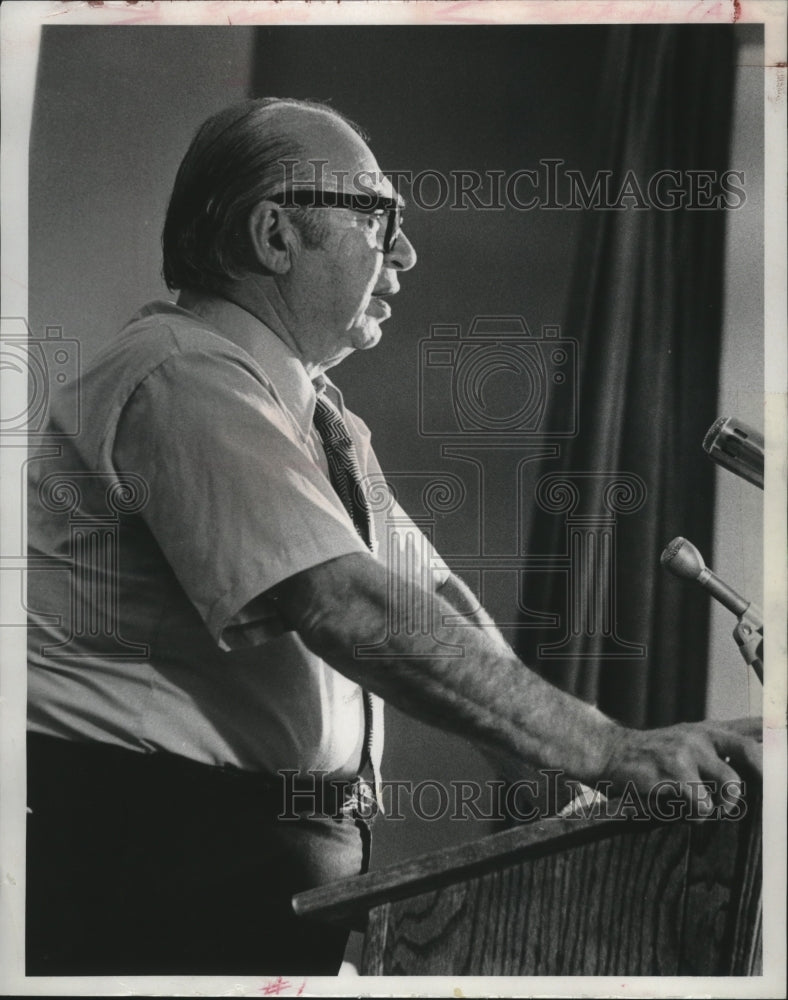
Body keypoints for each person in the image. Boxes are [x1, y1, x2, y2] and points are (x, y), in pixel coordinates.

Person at [26, 97, 762, 977]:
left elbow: (429, 598)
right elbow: (342, 601)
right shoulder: (180, 375)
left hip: (250, 870)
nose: (406, 251)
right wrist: (608, 749)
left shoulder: (314, 417)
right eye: (380, 214)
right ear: (273, 234)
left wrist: (543, 776)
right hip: (148, 864)